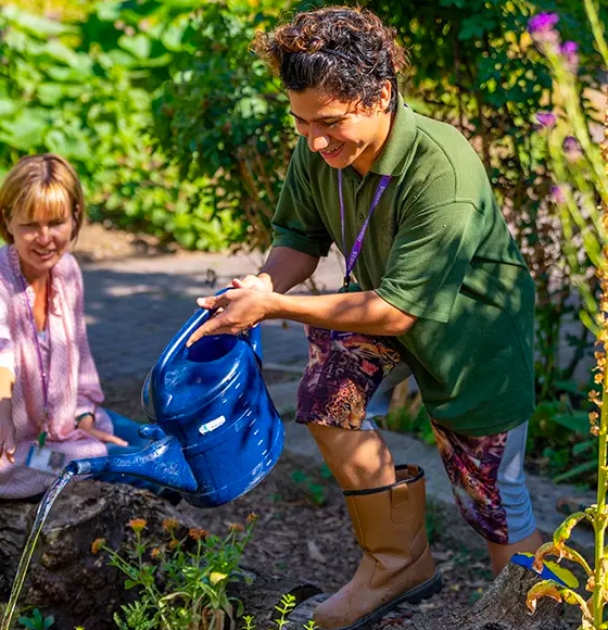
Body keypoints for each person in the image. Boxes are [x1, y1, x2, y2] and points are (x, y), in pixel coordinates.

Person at [187, 6, 542, 630]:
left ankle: (531, 614)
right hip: (383, 309)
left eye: (329, 123)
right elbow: (299, 234)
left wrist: (272, 305)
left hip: (473, 337)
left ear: (379, 95)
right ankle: (395, 563)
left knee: (492, 499)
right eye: (300, 122)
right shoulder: (318, 147)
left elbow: (399, 309)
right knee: (329, 399)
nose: (315, 141)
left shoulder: (442, 168)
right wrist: (267, 280)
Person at [0, 154, 154, 500]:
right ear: (8, 221)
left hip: (62, 424)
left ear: (75, 217)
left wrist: (84, 418)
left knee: (158, 443)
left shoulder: (67, 270)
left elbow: (80, 356)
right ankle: (175, 547)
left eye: (55, 222)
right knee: (145, 468)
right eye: (30, 226)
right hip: (5, 454)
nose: (44, 239)